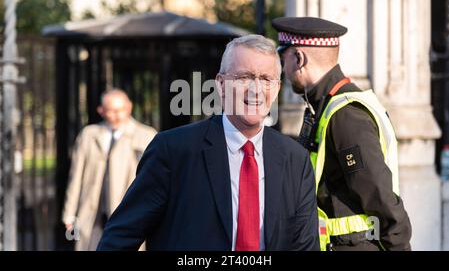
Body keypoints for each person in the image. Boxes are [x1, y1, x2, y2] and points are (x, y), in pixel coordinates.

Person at [97, 34, 320, 251]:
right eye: (244, 77)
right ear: (221, 85)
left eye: (266, 79)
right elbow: (120, 237)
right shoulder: (172, 151)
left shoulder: (295, 160)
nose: (256, 90)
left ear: (277, 88)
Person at [271, 16, 412, 251]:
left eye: (282, 59)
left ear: (298, 58)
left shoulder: (345, 114)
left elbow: (379, 194)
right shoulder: (327, 107)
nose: (283, 70)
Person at [62, 89, 157, 250]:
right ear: (101, 111)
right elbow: (76, 176)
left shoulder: (146, 135)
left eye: (120, 110)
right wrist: (69, 213)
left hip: (128, 211)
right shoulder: (89, 135)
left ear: (129, 107)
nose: (117, 115)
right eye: (111, 111)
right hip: (92, 213)